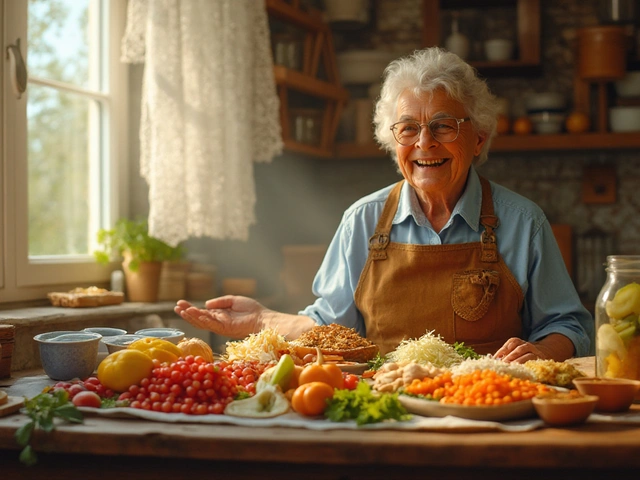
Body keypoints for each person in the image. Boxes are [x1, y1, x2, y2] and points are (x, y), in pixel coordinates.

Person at [176, 47, 593, 363]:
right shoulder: (363, 221)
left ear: (479, 137)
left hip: (485, 410)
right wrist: (262, 320)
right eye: (408, 128)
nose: (424, 143)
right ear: (393, 143)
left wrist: (541, 351)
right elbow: (329, 328)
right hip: (386, 410)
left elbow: (570, 326)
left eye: (443, 126)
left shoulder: (523, 223)